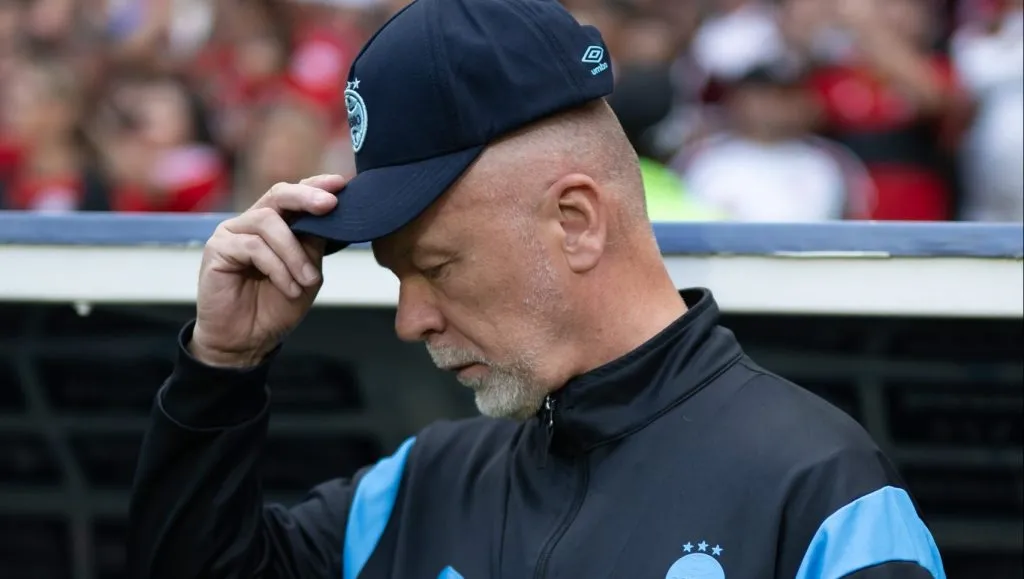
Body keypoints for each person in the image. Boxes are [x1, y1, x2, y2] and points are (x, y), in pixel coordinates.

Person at [127, 1, 946, 578]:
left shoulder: (821, 491)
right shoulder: (418, 485)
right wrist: (221, 367)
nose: (410, 319)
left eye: (438, 268)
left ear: (578, 220)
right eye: (397, 275)